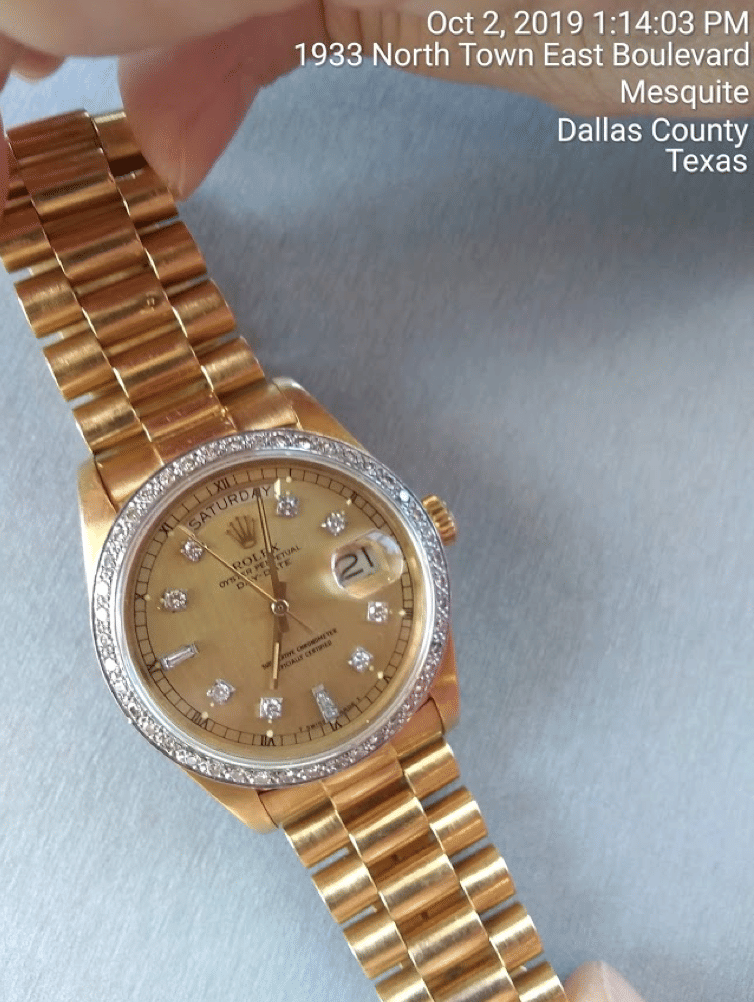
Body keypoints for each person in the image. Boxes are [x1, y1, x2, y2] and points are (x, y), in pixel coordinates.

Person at [1, 3, 746, 999]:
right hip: (290, 717)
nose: (278, 603)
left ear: (419, 525)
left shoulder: (284, 426)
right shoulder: (170, 501)